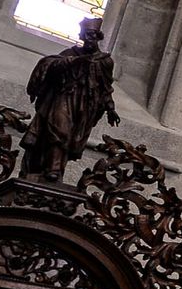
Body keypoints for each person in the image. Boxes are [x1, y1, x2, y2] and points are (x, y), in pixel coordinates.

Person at [20, 18, 121, 181]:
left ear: (98, 37)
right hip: (63, 98)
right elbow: (52, 66)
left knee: (72, 135)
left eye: (92, 35)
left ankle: (57, 170)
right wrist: (75, 61)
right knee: (59, 127)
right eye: (85, 35)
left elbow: (105, 87)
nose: (88, 39)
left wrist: (110, 108)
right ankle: (52, 169)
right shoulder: (71, 53)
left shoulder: (105, 61)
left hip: (85, 106)